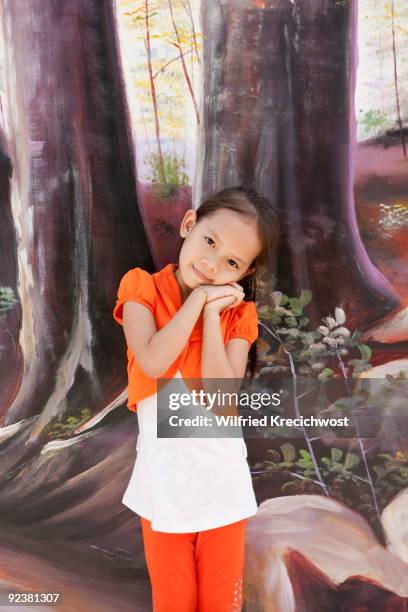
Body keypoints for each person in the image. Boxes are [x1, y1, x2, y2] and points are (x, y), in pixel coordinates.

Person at [113, 186, 280, 612]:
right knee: (174, 602)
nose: (211, 265)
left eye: (231, 263)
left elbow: (221, 398)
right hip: (162, 489)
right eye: (210, 241)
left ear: (243, 274)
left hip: (221, 487)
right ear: (189, 224)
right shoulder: (142, 289)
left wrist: (211, 312)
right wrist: (199, 302)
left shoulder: (239, 315)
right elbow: (153, 361)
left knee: (220, 604)